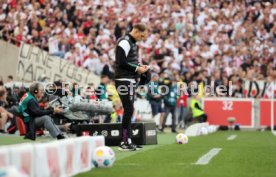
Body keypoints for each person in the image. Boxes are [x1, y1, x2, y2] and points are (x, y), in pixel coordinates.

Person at [115, 23, 149, 151]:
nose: (143, 38)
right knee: (128, 109)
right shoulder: (124, 42)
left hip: (129, 80)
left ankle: (128, 140)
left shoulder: (133, 43)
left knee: (130, 110)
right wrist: (137, 68)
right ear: (136, 31)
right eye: (142, 35)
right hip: (123, 80)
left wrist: (141, 67)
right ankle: (124, 141)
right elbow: (121, 62)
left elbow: (131, 61)